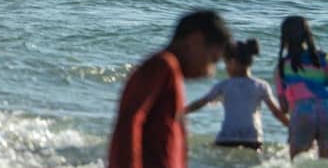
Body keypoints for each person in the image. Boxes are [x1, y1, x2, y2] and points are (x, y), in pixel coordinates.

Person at [109, 11, 231, 168]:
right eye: (213, 59)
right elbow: (129, 120)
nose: (210, 72)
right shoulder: (163, 65)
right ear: (196, 41)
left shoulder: (171, 72)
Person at [185, 38, 287, 151]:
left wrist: (181, 112)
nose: (226, 67)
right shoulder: (261, 85)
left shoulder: (224, 85)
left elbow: (201, 102)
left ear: (233, 62)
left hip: (227, 138)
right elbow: (276, 112)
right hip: (253, 140)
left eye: (226, 63)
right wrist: (292, 126)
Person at [275, 16, 328, 160]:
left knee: (297, 161)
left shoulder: (282, 66)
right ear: (308, 36)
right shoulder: (323, 59)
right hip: (326, 110)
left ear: (284, 39)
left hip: (301, 113)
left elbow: (284, 107)